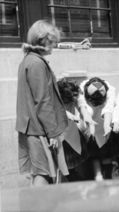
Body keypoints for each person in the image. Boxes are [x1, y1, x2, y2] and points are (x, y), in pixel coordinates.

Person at [16, 20, 68, 186]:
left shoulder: (28, 60)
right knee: (44, 172)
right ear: (42, 40)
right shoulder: (37, 63)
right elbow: (42, 100)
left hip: (30, 126)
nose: (54, 44)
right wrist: (52, 132)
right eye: (52, 41)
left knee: (36, 171)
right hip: (38, 128)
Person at [78, 76, 119, 180]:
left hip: (103, 121)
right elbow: (83, 107)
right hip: (88, 121)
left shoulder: (110, 91)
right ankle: (98, 175)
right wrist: (88, 121)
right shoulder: (82, 88)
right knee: (93, 151)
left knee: (106, 151)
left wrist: (106, 125)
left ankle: (108, 176)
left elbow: (108, 109)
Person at [57, 78, 89, 182]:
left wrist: (85, 114)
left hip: (73, 134)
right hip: (60, 137)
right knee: (67, 170)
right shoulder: (53, 100)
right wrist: (70, 115)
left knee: (72, 169)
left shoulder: (75, 97)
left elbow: (81, 103)